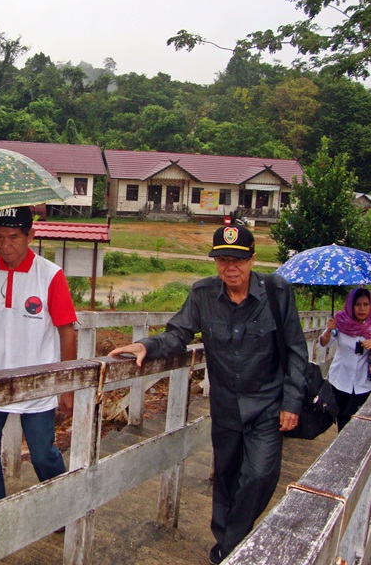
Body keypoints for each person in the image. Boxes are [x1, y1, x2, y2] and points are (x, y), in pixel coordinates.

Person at [108, 225, 308, 565]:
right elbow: (177, 335)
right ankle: (225, 541)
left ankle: (231, 545)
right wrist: (146, 344)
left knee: (260, 474)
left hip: (267, 406)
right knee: (227, 477)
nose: (231, 268)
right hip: (226, 406)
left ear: (252, 260)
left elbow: (296, 350)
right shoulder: (203, 295)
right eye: (222, 260)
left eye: (238, 260)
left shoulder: (277, 291)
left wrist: (292, 402)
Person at [0, 206, 77, 506]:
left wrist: (66, 385)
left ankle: (60, 507)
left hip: (37, 382)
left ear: (31, 235)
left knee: (42, 453)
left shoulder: (50, 275)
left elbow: (67, 332)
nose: (5, 245)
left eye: (13, 237)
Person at [319, 287, 371, 431]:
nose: (362, 309)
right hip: (339, 380)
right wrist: (329, 330)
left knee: (351, 419)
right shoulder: (340, 321)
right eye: (357, 304)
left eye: (366, 305)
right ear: (350, 305)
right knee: (340, 417)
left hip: (364, 383)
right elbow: (324, 343)